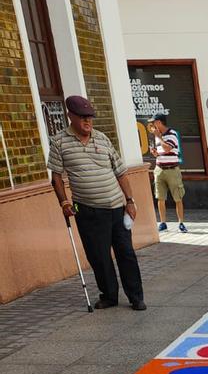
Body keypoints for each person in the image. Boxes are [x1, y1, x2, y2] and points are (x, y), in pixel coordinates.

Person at [48, 96, 146, 311]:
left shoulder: (102, 139)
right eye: (83, 118)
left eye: (90, 118)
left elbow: (120, 172)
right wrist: (64, 202)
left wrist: (130, 201)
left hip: (116, 207)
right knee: (99, 256)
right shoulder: (59, 142)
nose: (88, 122)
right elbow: (56, 177)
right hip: (87, 210)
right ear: (70, 116)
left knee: (126, 253)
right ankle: (109, 295)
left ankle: (136, 296)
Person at [148, 113, 187, 233]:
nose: (152, 126)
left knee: (177, 197)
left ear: (159, 122)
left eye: (154, 123)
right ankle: (163, 223)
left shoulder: (172, 134)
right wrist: (155, 153)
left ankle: (181, 223)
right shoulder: (157, 136)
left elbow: (168, 149)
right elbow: (161, 151)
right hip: (159, 168)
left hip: (172, 169)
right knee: (160, 198)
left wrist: (159, 137)